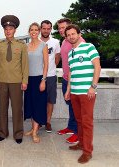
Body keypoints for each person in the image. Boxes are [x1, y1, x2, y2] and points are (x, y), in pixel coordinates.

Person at [64, 24, 101, 164]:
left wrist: (93, 86)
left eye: (73, 34)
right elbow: (71, 74)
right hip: (74, 92)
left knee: (86, 122)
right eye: (68, 35)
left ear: (79, 34)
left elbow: (97, 66)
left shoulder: (89, 47)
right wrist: (68, 90)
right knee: (79, 120)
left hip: (87, 93)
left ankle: (87, 152)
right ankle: (80, 143)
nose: (71, 36)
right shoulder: (70, 52)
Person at [0, 15, 29, 144]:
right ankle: (2, 132)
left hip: (16, 82)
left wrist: (25, 81)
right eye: (6, 28)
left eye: (11, 28)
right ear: (4, 30)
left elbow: (25, 65)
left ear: (15, 30)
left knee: (17, 109)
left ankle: (18, 134)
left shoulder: (22, 45)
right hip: (2, 81)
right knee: (2, 108)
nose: (8, 31)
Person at [57, 18, 84, 144]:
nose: (61, 30)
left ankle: (78, 133)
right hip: (66, 78)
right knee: (71, 105)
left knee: (77, 107)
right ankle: (71, 127)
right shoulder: (64, 41)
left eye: (64, 28)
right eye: (60, 28)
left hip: (76, 80)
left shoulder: (79, 42)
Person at [24, 22, 48, 143]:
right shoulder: (26, 46)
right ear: (29, 31)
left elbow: (46, 64)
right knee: (31, 104)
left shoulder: (43, 45)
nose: (33, 31)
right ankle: (33, 128)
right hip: (28, 80)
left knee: (38, 105)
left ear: (39, 32)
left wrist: (43, 80)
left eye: (36, 30)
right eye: (31, 30)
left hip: (39, 79)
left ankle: (35, 132)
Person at [40, 20, 61, 133]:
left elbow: (57, 57)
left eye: (48, 28)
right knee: (38, 100)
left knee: (50, 101)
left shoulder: (56, 42)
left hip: (51, 75)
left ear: (51, 29)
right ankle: (38, 122)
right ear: (41, 28)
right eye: (44, 28)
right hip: (38, 75)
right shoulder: (36, 41)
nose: (46, 30)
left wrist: (51, 67)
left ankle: (48, 122)